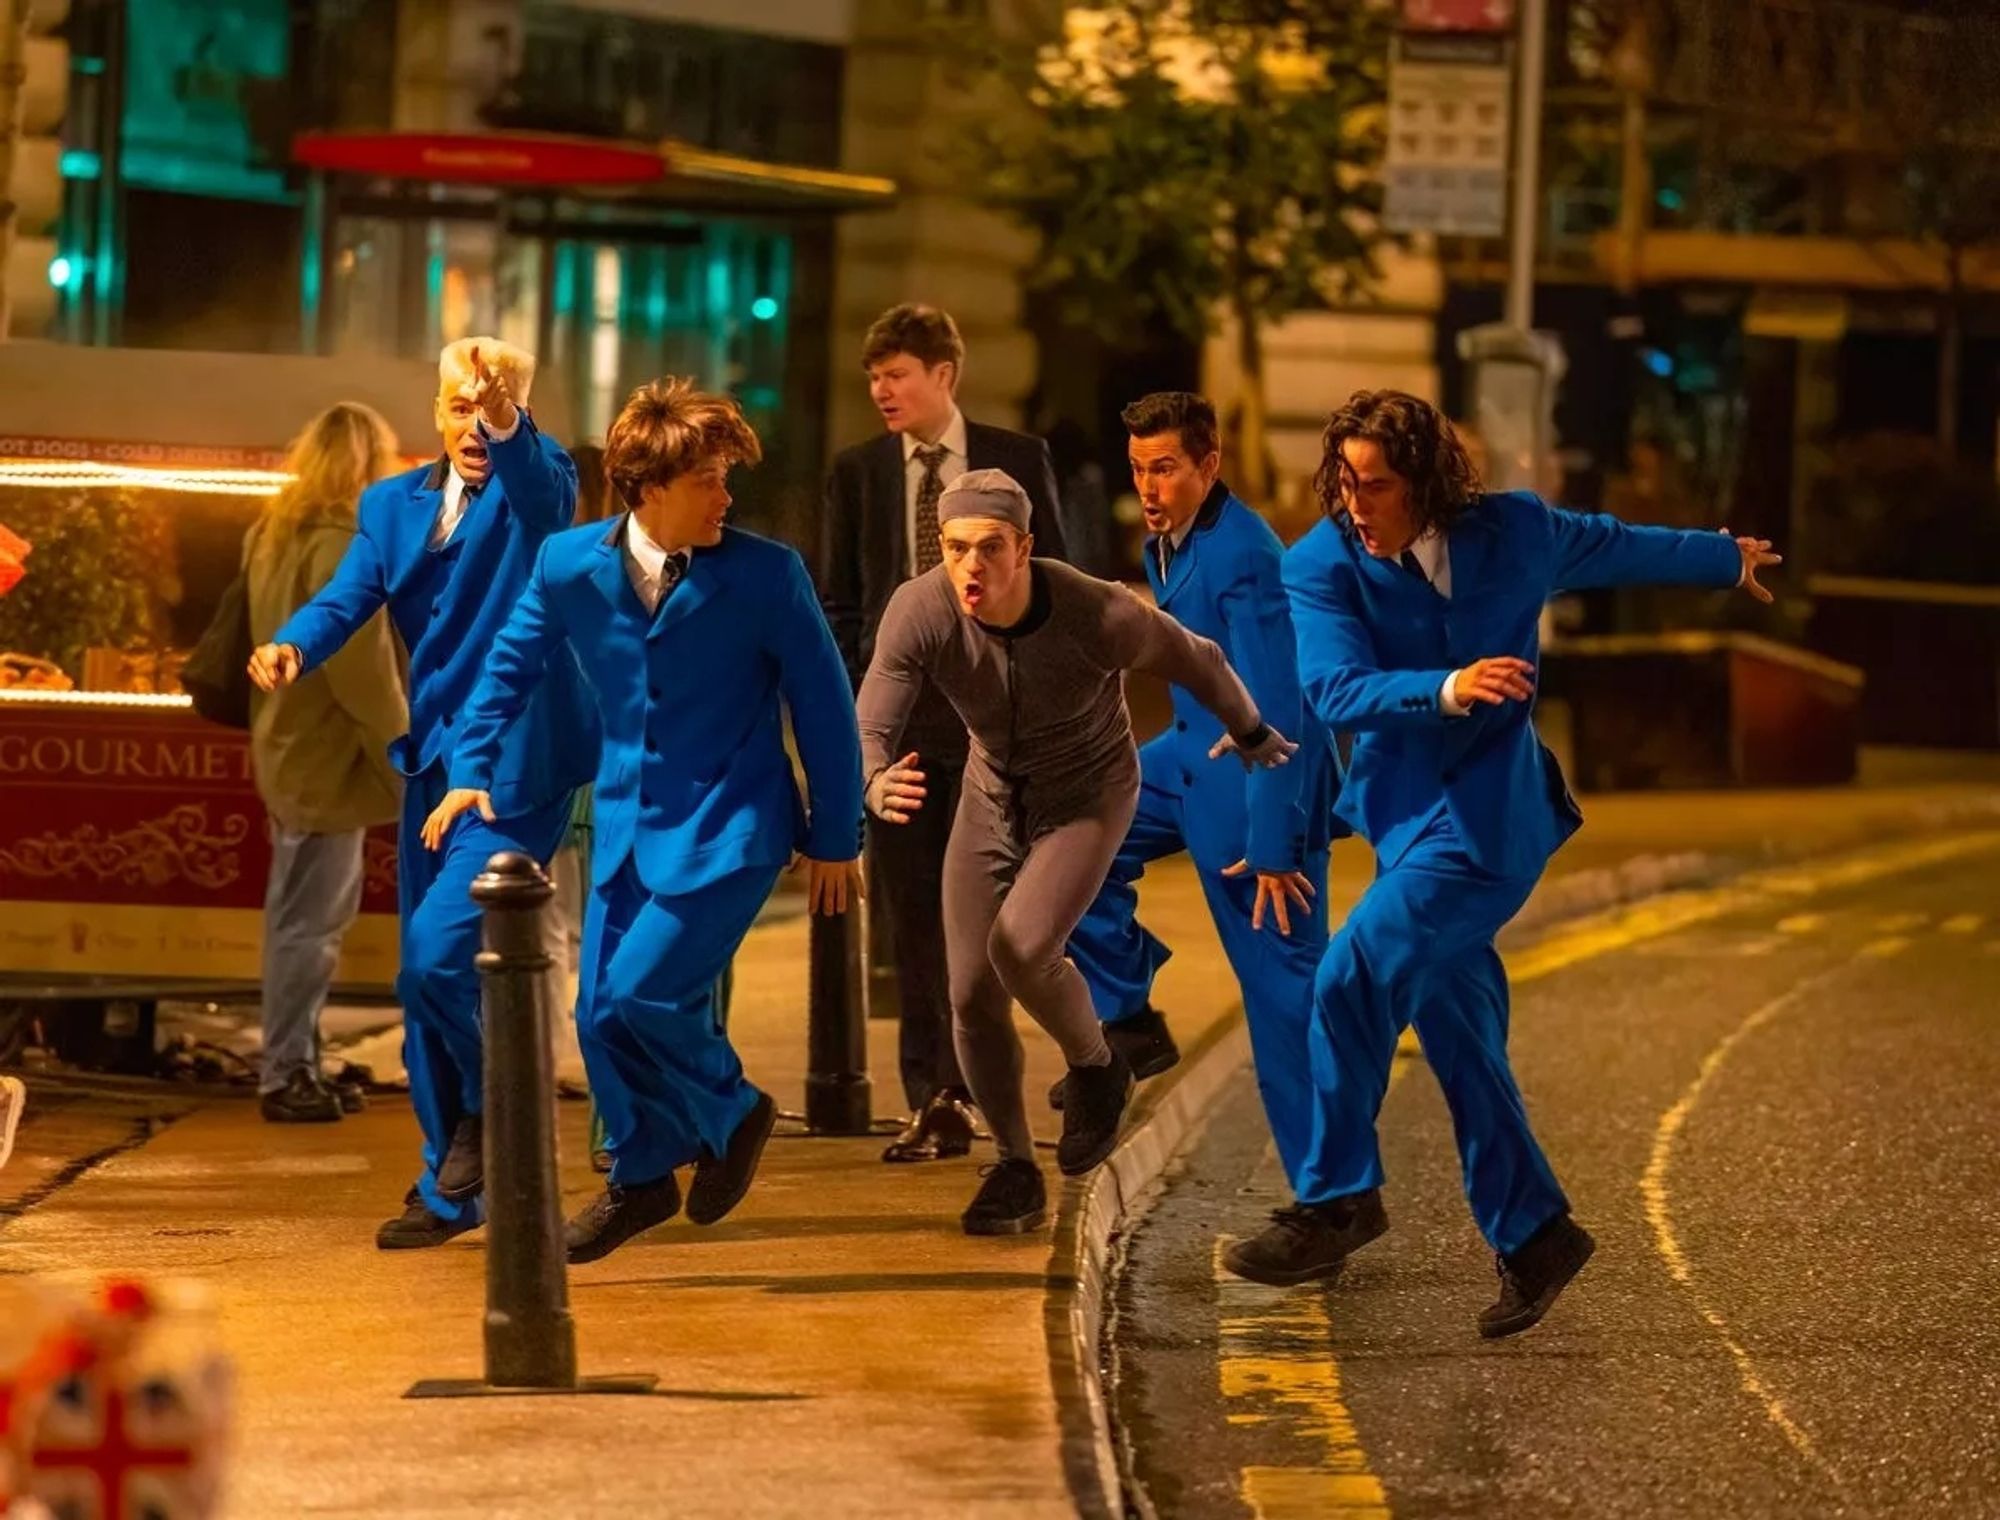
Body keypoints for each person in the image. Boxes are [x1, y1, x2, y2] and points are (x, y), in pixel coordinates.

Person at [1270, 389, 1780, 1337]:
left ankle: (1336, 1198)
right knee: (1461, 1040)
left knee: (1350, 975)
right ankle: (1538, 1235)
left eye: (1376, 485)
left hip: (1489, 827)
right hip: (1402, 823)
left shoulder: (1516, 531)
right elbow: (1335, 690)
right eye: (1344, 483)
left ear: (1426, 480)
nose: (1356, 503)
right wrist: (1451, 686)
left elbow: (1620, 541)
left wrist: (1725, 557)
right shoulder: (1321, 562)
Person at [426, 379, 865, 1264]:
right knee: (598, 1016)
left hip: (734, 823)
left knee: (645, 994)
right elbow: (504, 673)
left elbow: (825, 707)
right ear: (649, 486)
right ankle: (644, 1175)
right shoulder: (568, 566)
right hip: (627, 824)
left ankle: (735, 1110)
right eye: (709, 479)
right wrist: (468, 772)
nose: (726, 495)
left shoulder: (767, 574)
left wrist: (836, 835)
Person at [857, 469, 1294, 1237]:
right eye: (956, 548)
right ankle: (1016, 1167)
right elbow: (873, 717)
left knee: (1022, 948)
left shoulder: (1099, 612)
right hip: (991, 799)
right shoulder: (921, 609)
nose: (971, 567)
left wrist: (1254, 733)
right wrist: (871, 779)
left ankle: (1097, 1066)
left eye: (990, 548)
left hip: (1089, 794)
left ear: (1024, 548)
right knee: (966, 994)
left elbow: (1201, 660)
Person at [248, 338, 598, 1250]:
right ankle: (450, 1191)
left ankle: (496, 1116)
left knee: (434, 961)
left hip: (517, 762)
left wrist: (507, 417)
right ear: (432, 414)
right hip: (431, 762)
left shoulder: (542, 478)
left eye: (492, 405)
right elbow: (345, 597)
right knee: (424, 991)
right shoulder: (389, 505)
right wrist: (294, 643)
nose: (473, 423)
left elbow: (545, 494)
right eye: (457, 407)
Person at [1062, 393, 1338, 1242]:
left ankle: (1332, 1200)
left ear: (1209, 466)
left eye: (1166, 468)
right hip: (1185, 757)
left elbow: (1277, 703)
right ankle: (1132, 1021)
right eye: (1139, 469)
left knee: (1284, 996)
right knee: (1068, 842)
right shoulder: (1168, 541)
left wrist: (1273, 843)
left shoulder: (1248, 553)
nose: (1148, 486)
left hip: (1250, 778)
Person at [819, 304, 1069, 1165]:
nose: (882, 390)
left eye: (897, 374)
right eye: (874, 377)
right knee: (914, 923)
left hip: (997, 731)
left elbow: (1058, 592)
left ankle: (992, 1085)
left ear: (944, 376)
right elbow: (841, 601)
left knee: (996, 925)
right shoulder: (857, 475)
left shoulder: (1018, 461)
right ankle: (933, 1099)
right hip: (907, 736)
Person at [245, 402, 409, 1123]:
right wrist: (406, 753)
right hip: (328, 759)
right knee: (312, 925)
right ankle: (285, 1074)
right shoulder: (344, 539)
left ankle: (297, 1060)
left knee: (297, 919)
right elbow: (364, 672)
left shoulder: (273, 531)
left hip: (287, 744)